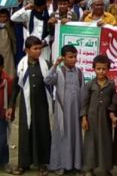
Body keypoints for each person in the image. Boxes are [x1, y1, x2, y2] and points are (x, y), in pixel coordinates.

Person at [9, 36, 52, 175]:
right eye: (35, 49)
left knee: (42, 132)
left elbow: (53, 84)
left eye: (40, 48)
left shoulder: (46, 65)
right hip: (25, 105)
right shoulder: (21, 66)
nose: (38, 51)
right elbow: (16, 87)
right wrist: (11, 106)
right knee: (25, 132)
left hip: (42, 104)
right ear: (27, 50)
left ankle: (42, 163)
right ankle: (24, 164)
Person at [44, 45, 84, 175]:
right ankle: (60, 165)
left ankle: (75, 164)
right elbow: (47, 80)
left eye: (75, 57)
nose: (73, 60)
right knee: (61, 136)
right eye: (70, 57)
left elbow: (82, 93)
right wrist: (55, 65)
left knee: (75, 137)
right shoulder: (59, 71)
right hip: (62, 112)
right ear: (64, 58)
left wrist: (83, 113)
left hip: (76, 112)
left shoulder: (79, 72)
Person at [81, 55, 115, 176]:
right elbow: (84, 102)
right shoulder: (90, 84)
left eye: (104, 69)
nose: (101, 71)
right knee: (91, 143)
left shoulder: (111, 85)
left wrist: (112, 115)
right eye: (98, 69)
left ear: (108, 69)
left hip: (105, 119)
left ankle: (105, 168)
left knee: (105, 142)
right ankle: (89, 168)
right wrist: (84, 117)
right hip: (91, 118)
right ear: (94, 69)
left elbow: (113, 102)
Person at [11, 0, 53, 64]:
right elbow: (13, 18)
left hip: (44, 46)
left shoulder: (50, 13)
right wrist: (25, 8)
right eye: (37, 7)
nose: (39, 9)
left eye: (41, 7)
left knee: (44, 67)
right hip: (31, 46)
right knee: (31, 66)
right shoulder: (29, 13)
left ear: (44, 5)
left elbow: (52, 32)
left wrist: (45, 41)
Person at [0, 8, 17, 78]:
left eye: (4, 17)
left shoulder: (9, 26)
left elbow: (13, 38)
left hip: (8, 51)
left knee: (9, 68)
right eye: (0, 17)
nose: (2, 19)